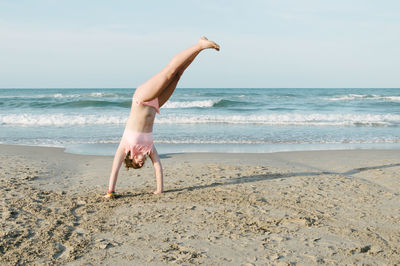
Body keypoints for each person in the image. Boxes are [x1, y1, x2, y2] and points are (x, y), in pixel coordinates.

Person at [104, 37, 220, 198]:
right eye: (142, 164)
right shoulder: (149, 148)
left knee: (169, 72)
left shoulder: (125, 146)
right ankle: (200, 48)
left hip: (142, 99)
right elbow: (158, 166)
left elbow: (114, 168)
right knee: (178, 75)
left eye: (138, 163)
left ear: (131, 158)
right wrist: (160, 189)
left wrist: (111, 191)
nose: (142, 162)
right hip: (155, 104)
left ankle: (200, 45)